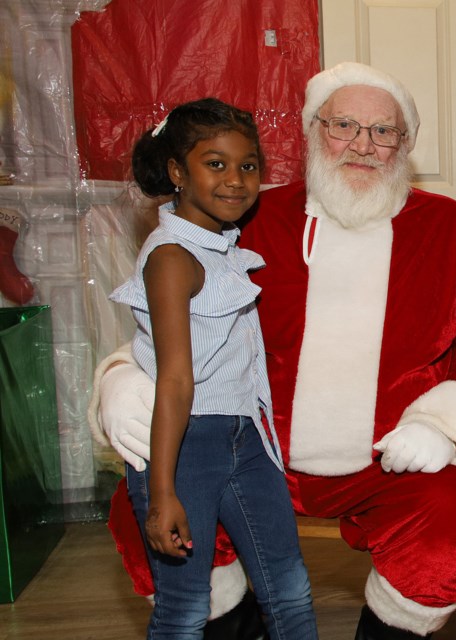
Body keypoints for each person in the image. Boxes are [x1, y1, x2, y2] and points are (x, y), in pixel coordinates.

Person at [89, 63, 456, 639]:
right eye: (344, 125)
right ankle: (233, 624)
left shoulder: (446, 225)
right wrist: (123, 379)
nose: (363, 145)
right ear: (311, 132)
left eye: (383, 131)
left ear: (406, 144)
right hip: (256, 447)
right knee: (141, 504)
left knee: (445, 523)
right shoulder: (251, 215)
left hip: (389, 458)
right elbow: (181, 316)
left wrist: (442, 424)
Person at [109, 98, 318, 638]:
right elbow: (176, 380)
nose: (235, 180)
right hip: (187, 444)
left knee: (289, 589)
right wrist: (161, 494)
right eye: (215, 163)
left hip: (247, 438)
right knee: (183, 608)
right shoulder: (172, 257)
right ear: (177, 172)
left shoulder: (224, 247)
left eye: (248, 165)